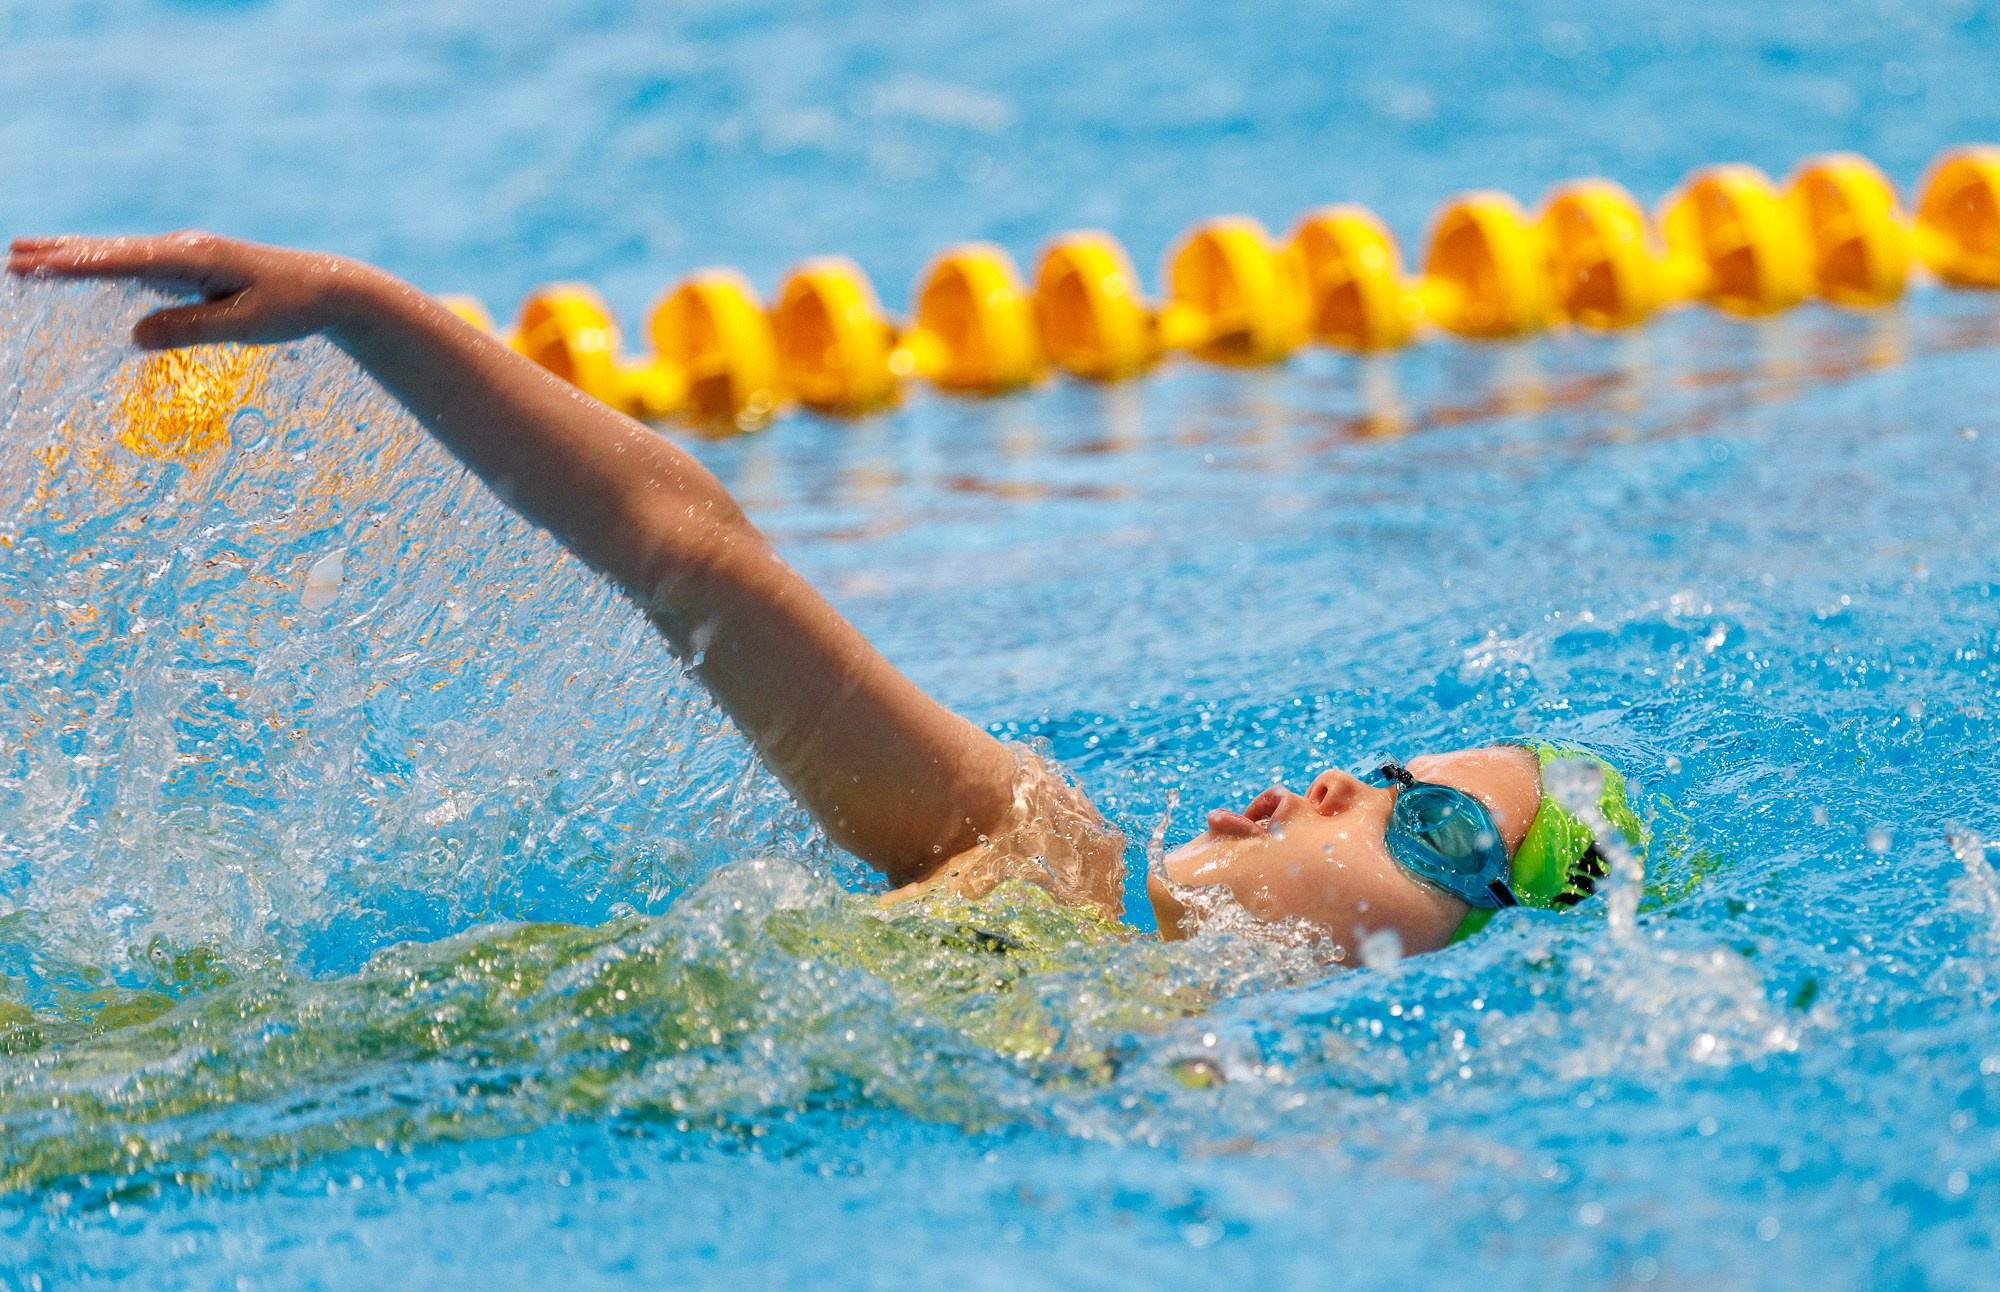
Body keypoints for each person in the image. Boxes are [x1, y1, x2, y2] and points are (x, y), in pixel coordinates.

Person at [5, 232, 1645, 964]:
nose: (1347, 781)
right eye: (1394, 759)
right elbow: (693, 554)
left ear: (1451, 961)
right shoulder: (1048, 857)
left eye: (1424, 828)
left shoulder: (1211, 1083)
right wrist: (366, 311)